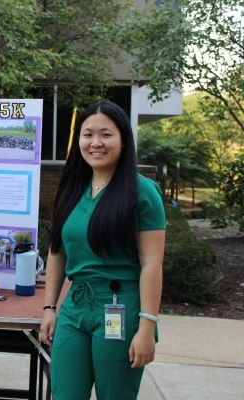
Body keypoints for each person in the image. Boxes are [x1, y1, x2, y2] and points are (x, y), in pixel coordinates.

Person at [38, 100, 166, 399]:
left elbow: (152, 263)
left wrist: (147, 327)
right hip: (75, 307)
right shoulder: (71, 188)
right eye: (88, 134)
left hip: (121, 306)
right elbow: (57, 252)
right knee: (64, 394)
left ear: (123, 139)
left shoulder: (142, 192)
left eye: (106, 134)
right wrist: (49, 308)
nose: (96, 143)